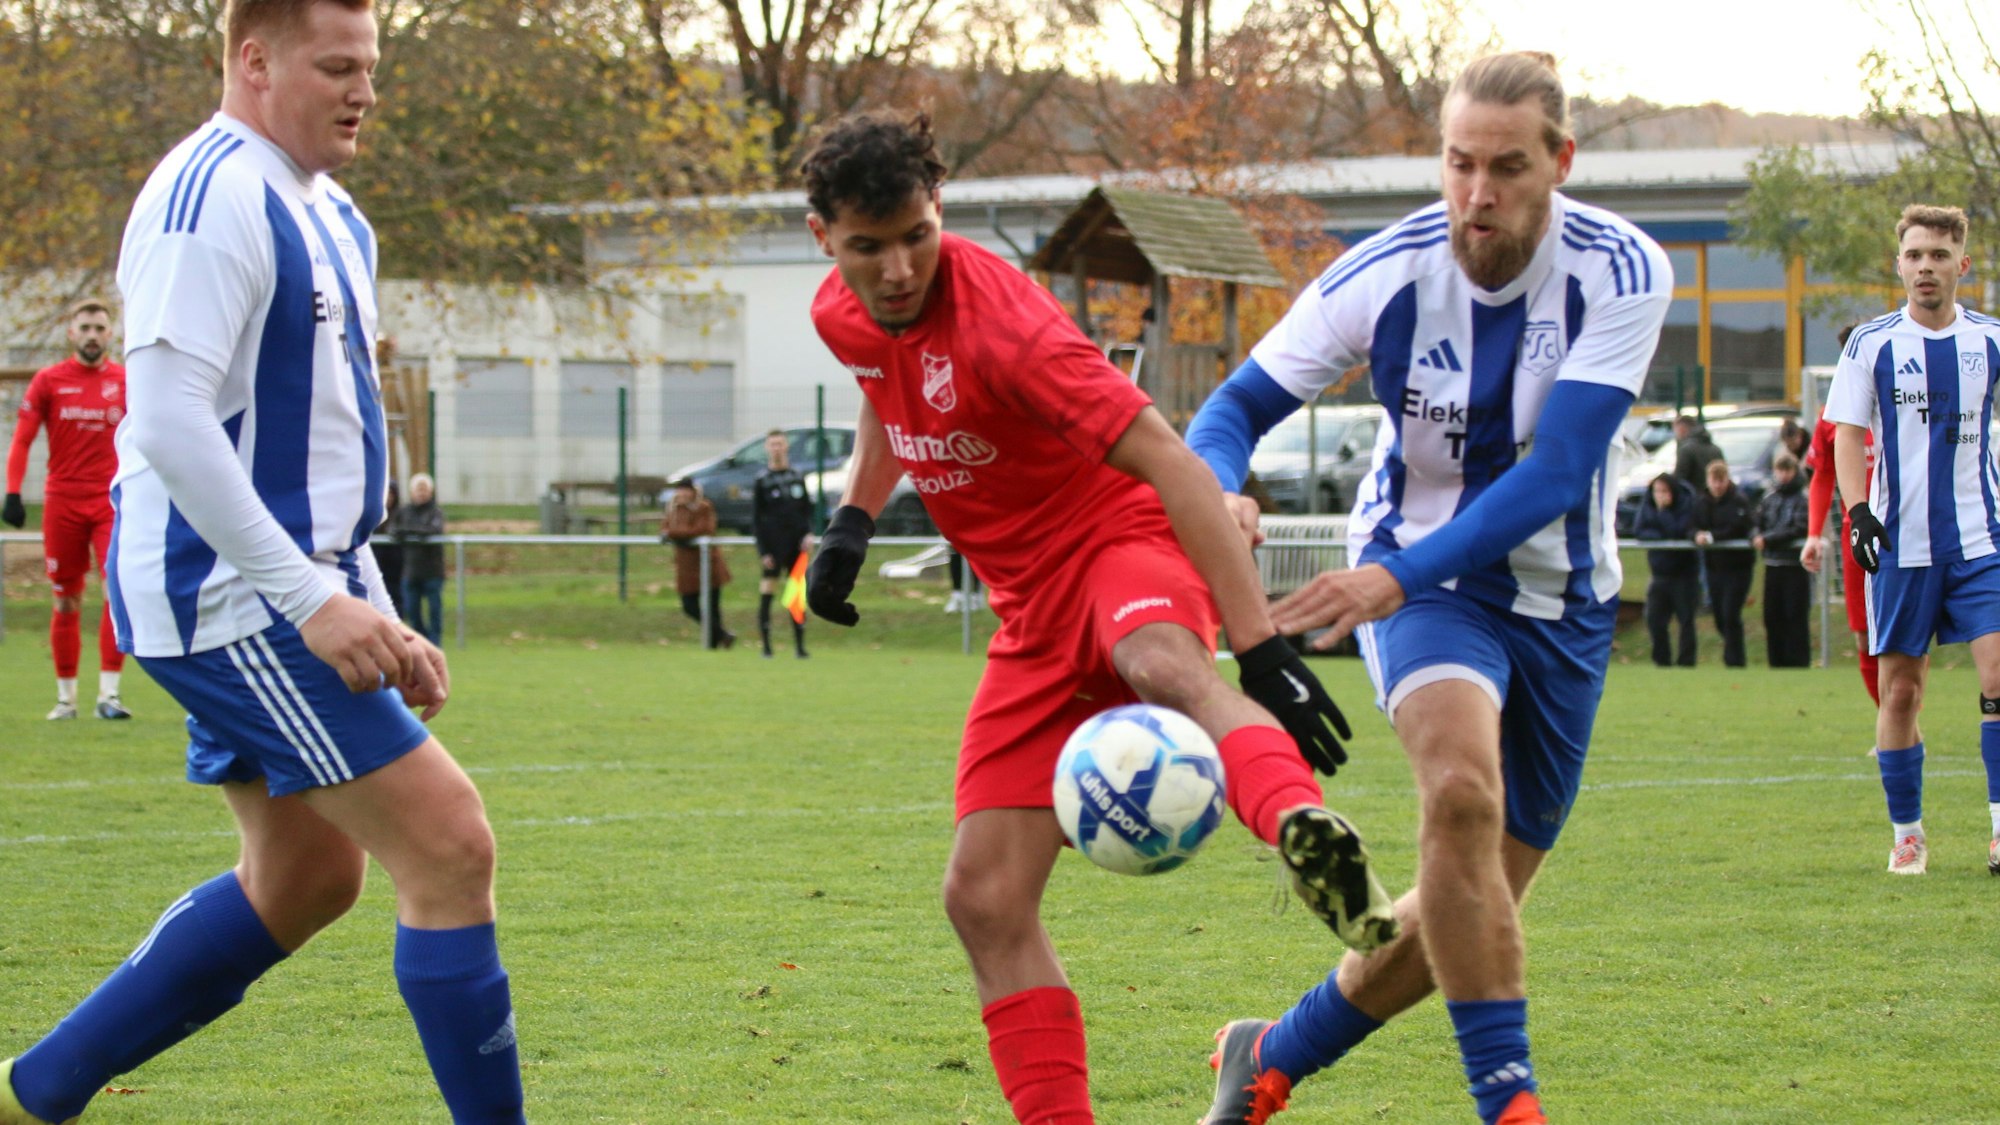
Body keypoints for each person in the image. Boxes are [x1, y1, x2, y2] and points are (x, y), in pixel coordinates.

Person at [800, 110, 1397, 1125]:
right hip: (1025, 609)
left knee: (1164, 663)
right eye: (868, 247)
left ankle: (1300, 826)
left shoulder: (1008, 328)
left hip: (1117, 535)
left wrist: (1261, 650)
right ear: (825, 240)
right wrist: (854, 517)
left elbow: (1167, 459)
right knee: (981, 898)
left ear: (937, 209)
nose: (897, 268)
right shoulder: (840, 310)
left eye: (916, 236)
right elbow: (883, 391)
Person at [0, 2, 526, 1121]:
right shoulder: (210, 196)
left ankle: (33, 1092)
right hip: (229, 595)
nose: (364, 90)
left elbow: (325, 439)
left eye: (371, 67)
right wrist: (313, 605)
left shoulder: (331, 211)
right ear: (252, 60)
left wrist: (373, 602)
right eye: (336, 66)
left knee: (305, 879)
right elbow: (171, 423)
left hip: (281, 591)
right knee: (448, 845)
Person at [1182, 51, 1670, 1125]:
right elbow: (1224, 414)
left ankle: (1266, 1053)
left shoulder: (1623, 270)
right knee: (1455, 796)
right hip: (1425, 588)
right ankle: (1512, 1108)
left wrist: (1384, 581)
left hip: (1559, 605)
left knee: (1464, 899)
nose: (1474, 194)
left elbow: (1554, 474)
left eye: (1503, 167)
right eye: (1456, 164)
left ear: (1559, 162)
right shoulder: (1385, 271)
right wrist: (1221, 490)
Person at [1825, 203, 2000, 877]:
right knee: (1900, 692)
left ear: (1964, 264)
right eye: (1916, 254)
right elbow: (1846, 433)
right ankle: (1908, 834)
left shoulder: (1989, 340)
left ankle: (1996, 830)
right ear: (1899, 264)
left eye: (1939, 254)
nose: (1927, 266)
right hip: (1902, 544)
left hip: (1983, 536)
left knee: (1997, 675)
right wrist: (1859, 511)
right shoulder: (1870, 343)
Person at [3, 299, 133, 720]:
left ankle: (109, 697)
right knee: (65, 599)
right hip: (62, 502)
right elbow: (22, 440)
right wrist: (14, 493)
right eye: (85, 327)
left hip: (111, 503)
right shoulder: (48, 381)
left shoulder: (128, 382)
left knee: (116, 592)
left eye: (100, 327)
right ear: (71, 333)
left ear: (110, 333)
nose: (93, 335)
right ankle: (66, 700)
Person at [1803, 352, 1882, 704]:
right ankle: (1893, 723)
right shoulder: (1832, 416)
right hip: (1856, 536)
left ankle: (1903, 721)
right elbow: (1822, 476)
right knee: (1864, 637)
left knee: (1908, 638)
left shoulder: (1897, 404)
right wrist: (1813, 534)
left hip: (1905, 532)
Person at [752, 429, 813, 658]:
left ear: (786, 447)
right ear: (767, 448)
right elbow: (756, 520)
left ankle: (800, 647)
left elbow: (807, 510)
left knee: (796, 595)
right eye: (772, 445)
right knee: (768, 593)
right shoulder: (762, 481)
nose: (776, 448)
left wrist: (808, 534)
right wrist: (763, 551)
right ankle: (767, 647)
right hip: (772, 547)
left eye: (780, 444)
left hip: (796, 546)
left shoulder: (797, 477)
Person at [1692, 459, 1754, 669]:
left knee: (1730, 614)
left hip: (1738, 568)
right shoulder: (1701, 502)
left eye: (1721, 481)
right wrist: (1696, 535)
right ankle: (1732, 656)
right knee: (1719, 615)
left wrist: (1712, 537)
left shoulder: (1739, 501)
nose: (1718, 486)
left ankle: (1735, 662)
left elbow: (1739, 527)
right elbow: (1690, 525)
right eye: (1714, 481)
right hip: (1713, 568)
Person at [662, 477, 735, 649]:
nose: (683, 494)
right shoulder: (673, 509)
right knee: (689, 605)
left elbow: (703, 529)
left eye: (686, 490)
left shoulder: (704, 507)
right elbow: (664, 528)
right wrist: (671, 533)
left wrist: (673, 533)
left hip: (708, 565)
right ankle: (723, 635)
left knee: (713, 607)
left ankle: (713, 644)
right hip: (686, 567)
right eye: (680, 490)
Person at [1633, 474, 1698, 667]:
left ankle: (1686, 663)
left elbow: (1677, 531)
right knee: (1654, 620)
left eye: (1664, 491)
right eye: (1657, 491)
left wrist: (1663, 514)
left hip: (1684, 574)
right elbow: (1640, 531)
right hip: (1659, 574)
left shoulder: (1686, 506)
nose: (1660, 496)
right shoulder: (1647, 507)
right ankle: (1661, 662)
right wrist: (1658, 535)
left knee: (1686, 620)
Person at [1754, 450, 1811, 667]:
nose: (1784, 475)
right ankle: (1776, 664)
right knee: (1772, 617)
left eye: (1787, 470)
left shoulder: (1802, 498)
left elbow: (1798, 527)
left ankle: (1798, 663)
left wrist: (1767, 539)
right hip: (1772, 565)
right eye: (1780, 470)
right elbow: (1756, 522)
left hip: (1794, 566)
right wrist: (1756, 536)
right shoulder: (1769, 498)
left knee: (1794, 617)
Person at [394, 472, 447, 644]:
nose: (421, 493)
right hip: (410, 571)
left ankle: (435, 645)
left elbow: (433, 530)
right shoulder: (404, 512)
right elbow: (394, 530)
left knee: (434, 611)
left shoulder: (436, 512)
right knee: (412, 611)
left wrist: (409, 532)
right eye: (418, 490)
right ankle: (420, 642)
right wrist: (414, 532)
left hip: (433, 571)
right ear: (412, 492)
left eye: (425, 490)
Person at [375, 478, 405, 617]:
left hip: (395, 566)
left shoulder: (400, 515)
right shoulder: (373, 515)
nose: (388, 497)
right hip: (376, 563)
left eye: (391, 494)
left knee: (395, 598)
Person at [1671, 414, 1722, 496]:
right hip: (1713, 497)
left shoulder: (1686, 449)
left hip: (1693, 499)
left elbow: (1680, 478)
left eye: (1675, 430)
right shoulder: (1715, 449)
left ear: (1682, 429)